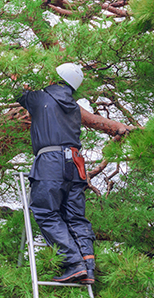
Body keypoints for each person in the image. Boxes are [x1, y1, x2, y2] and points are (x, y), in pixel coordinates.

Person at [17, 62, 96, 284]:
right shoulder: (73, 106)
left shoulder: (42, 98)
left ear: (55, 79)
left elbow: (16, 92)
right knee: (75, 217)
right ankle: (88, 267)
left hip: (51, 162)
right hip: (76, 165)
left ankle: (73, 263)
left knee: (46, 211)